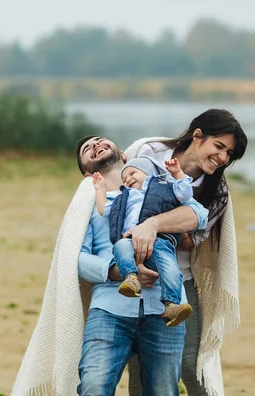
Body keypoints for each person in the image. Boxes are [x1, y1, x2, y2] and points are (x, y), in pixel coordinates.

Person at [124, 108, 248, 396]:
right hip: (137, 276)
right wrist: (175, 216)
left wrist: (154, 221)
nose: (223, 158)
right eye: (219, 147)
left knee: (191, 365)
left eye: (229, 154)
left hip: (180, 279)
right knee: (139, 368)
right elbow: (120, 187)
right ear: (197, 136)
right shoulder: (150, 151)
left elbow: (191, 241)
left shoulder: (216, 192)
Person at [75, 137, 209, 395]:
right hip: (110, 308)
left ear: (124, 156)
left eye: (100, 141)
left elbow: (199, 215)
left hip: (164, 309)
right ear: (86, 172)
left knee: (163, 391)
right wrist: (115, 271)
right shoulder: (88, 204)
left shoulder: (162, 188)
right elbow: (76, 258)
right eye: (86, 149)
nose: (95, 145)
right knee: (93, 386)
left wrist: (154, 224)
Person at [92, 155, 203, 327]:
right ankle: (131, 279)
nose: (128, 179)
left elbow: (185, 193)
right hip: (129, 238)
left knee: (170, 267)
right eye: (124, 178)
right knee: (120, 247)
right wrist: (100, 189)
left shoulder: (166, 188)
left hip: (160, 240)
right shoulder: (124, 197)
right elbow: (103, 209)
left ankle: (172, 305)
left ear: (149, 173)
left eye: (132, 173)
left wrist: (177, 173)